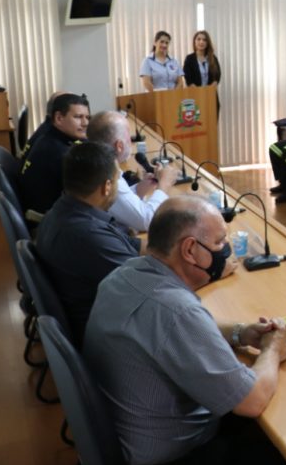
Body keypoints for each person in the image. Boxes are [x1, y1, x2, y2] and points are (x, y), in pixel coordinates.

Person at [84, 196, 286, 465]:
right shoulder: (174, 310)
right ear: (189, 250)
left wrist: (241, 333)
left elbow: (181, 332)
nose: (225, 250)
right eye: (219, 243)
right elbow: (252, 400)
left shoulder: (125, 276)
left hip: (133, 446)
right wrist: (273, 348)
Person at [34, 142, 140, 343]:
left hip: (93, 317)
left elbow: (132, 246)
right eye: (118, 179)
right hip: (111, 337)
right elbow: (151, 289)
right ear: (107, 187)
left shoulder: (63, 211)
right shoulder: (88, 236)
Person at [86, 110, 178, 232]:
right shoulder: (106, 175)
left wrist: (139, 189)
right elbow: (147, 221)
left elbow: (118, 204)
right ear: (119, 146)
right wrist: (164, 185)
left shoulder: (97, 163)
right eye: (128, 137)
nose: (131, 142)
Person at [18, 93, 90, 215]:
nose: (85, 123)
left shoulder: (50, 136)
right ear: (59, 118)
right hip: (49, 222)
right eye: (78, 117)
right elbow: (89, 196)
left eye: (87, 117)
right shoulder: (58, 153)